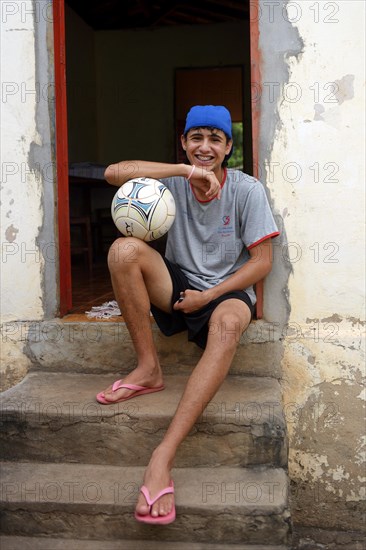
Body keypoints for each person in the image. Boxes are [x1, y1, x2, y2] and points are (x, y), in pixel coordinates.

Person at [97, 105, 280, 525]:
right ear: (184, 142)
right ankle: (148, 369)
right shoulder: (173, 181)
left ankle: (163, 455)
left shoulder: (247, 190)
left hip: (226, 290)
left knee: (230, 322)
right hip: (178, 284)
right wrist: (183, 172)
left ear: (228, 148)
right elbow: (112, 172)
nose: (205, 147)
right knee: (122, 250)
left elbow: (262, 262)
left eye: (215, 139)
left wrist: (210, 296)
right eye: (196, 137)